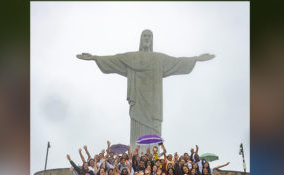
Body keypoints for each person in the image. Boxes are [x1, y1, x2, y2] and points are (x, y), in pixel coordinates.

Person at [77, 29, 215, 148]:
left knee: (154, 134)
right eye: (145, 36)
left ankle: (153, 158)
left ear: (152, 39)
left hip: (154, 104)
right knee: (137, 130)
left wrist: (195, 59)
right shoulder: (131, 57)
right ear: (141, 39)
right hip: (137, 100)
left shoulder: (159, 58)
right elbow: (114, 59)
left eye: (149, 36)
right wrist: (95, 58)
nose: (147, 38)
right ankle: (137, 156)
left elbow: (177, 62)